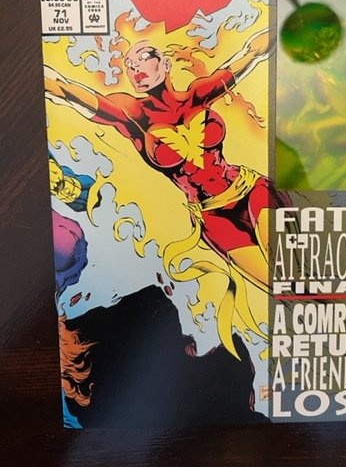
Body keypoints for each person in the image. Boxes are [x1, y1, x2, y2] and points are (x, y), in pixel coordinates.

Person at [45, 29, 287, 357]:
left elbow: (252, 52)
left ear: (166, 64)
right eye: (129, 66)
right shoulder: (132, 115)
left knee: (292, 269)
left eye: (143, 59)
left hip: (250, 191)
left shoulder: (198, 94)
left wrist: (287, 22)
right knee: (280, 287)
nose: (136, 70)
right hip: (213, 217)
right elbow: (66, 91)